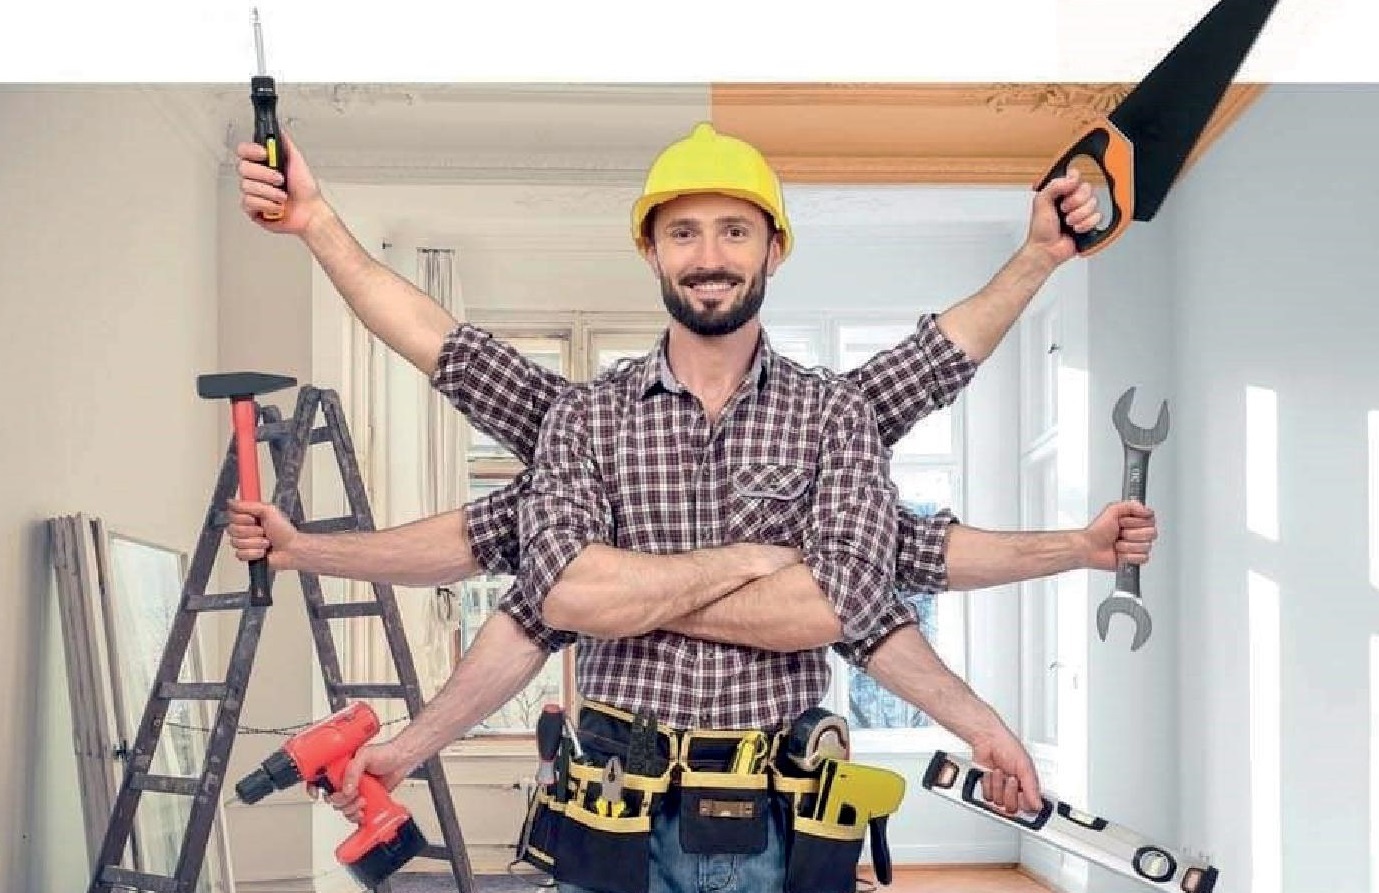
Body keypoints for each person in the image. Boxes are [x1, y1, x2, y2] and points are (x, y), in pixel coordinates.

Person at [228, 123, 1152, 846]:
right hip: (614, 815)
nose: (709, 252)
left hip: (785, 823)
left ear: (773, 248)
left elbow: (851, 598)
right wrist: (315, 222)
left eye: (734, 229)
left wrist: (623, 592)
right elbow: (435, 348)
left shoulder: (837, 415)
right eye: (683, 231)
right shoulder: (580, 419)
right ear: (653, 251)